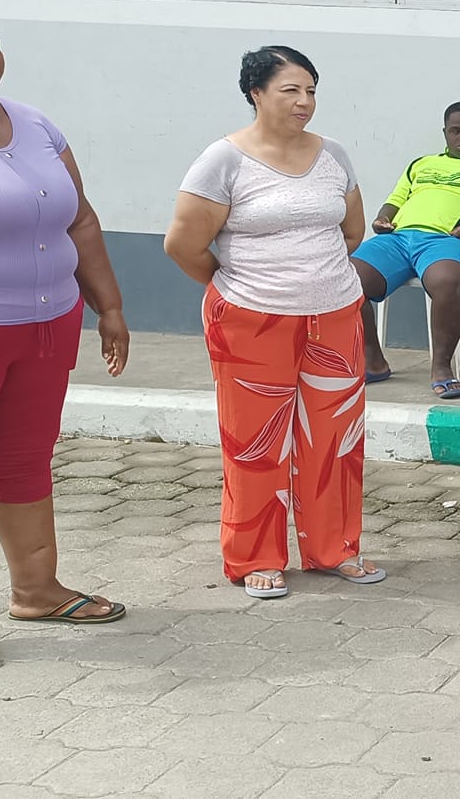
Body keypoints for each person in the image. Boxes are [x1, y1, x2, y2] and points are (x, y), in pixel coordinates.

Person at [0, 0, 130, 673]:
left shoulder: (35, 124)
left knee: (24, 458)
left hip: (44, 325)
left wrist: (108, 306)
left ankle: (37, 590)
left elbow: (80, 218)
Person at [164, 45, 382, 599]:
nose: (304, 101)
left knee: (335, 440)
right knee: (256, 444)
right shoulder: (223, 160)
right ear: (256, 93)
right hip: (250, 320)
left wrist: (315, 279)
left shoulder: (334, 155)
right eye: (290, 90)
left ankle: (334, 549)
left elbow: (351, 232)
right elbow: (183, 244)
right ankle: (255, 557)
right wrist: (244, 285)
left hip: (335, 317)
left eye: (311, 90)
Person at [354, 101, 460, 399]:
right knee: (346, 278)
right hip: (398, 238)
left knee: (447, 281)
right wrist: (382, 218)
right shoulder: (421, 164)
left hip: (450, 240)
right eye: (456, 131)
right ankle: (373, 360)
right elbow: (395, 199)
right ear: (445, 133)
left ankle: (441, 367)